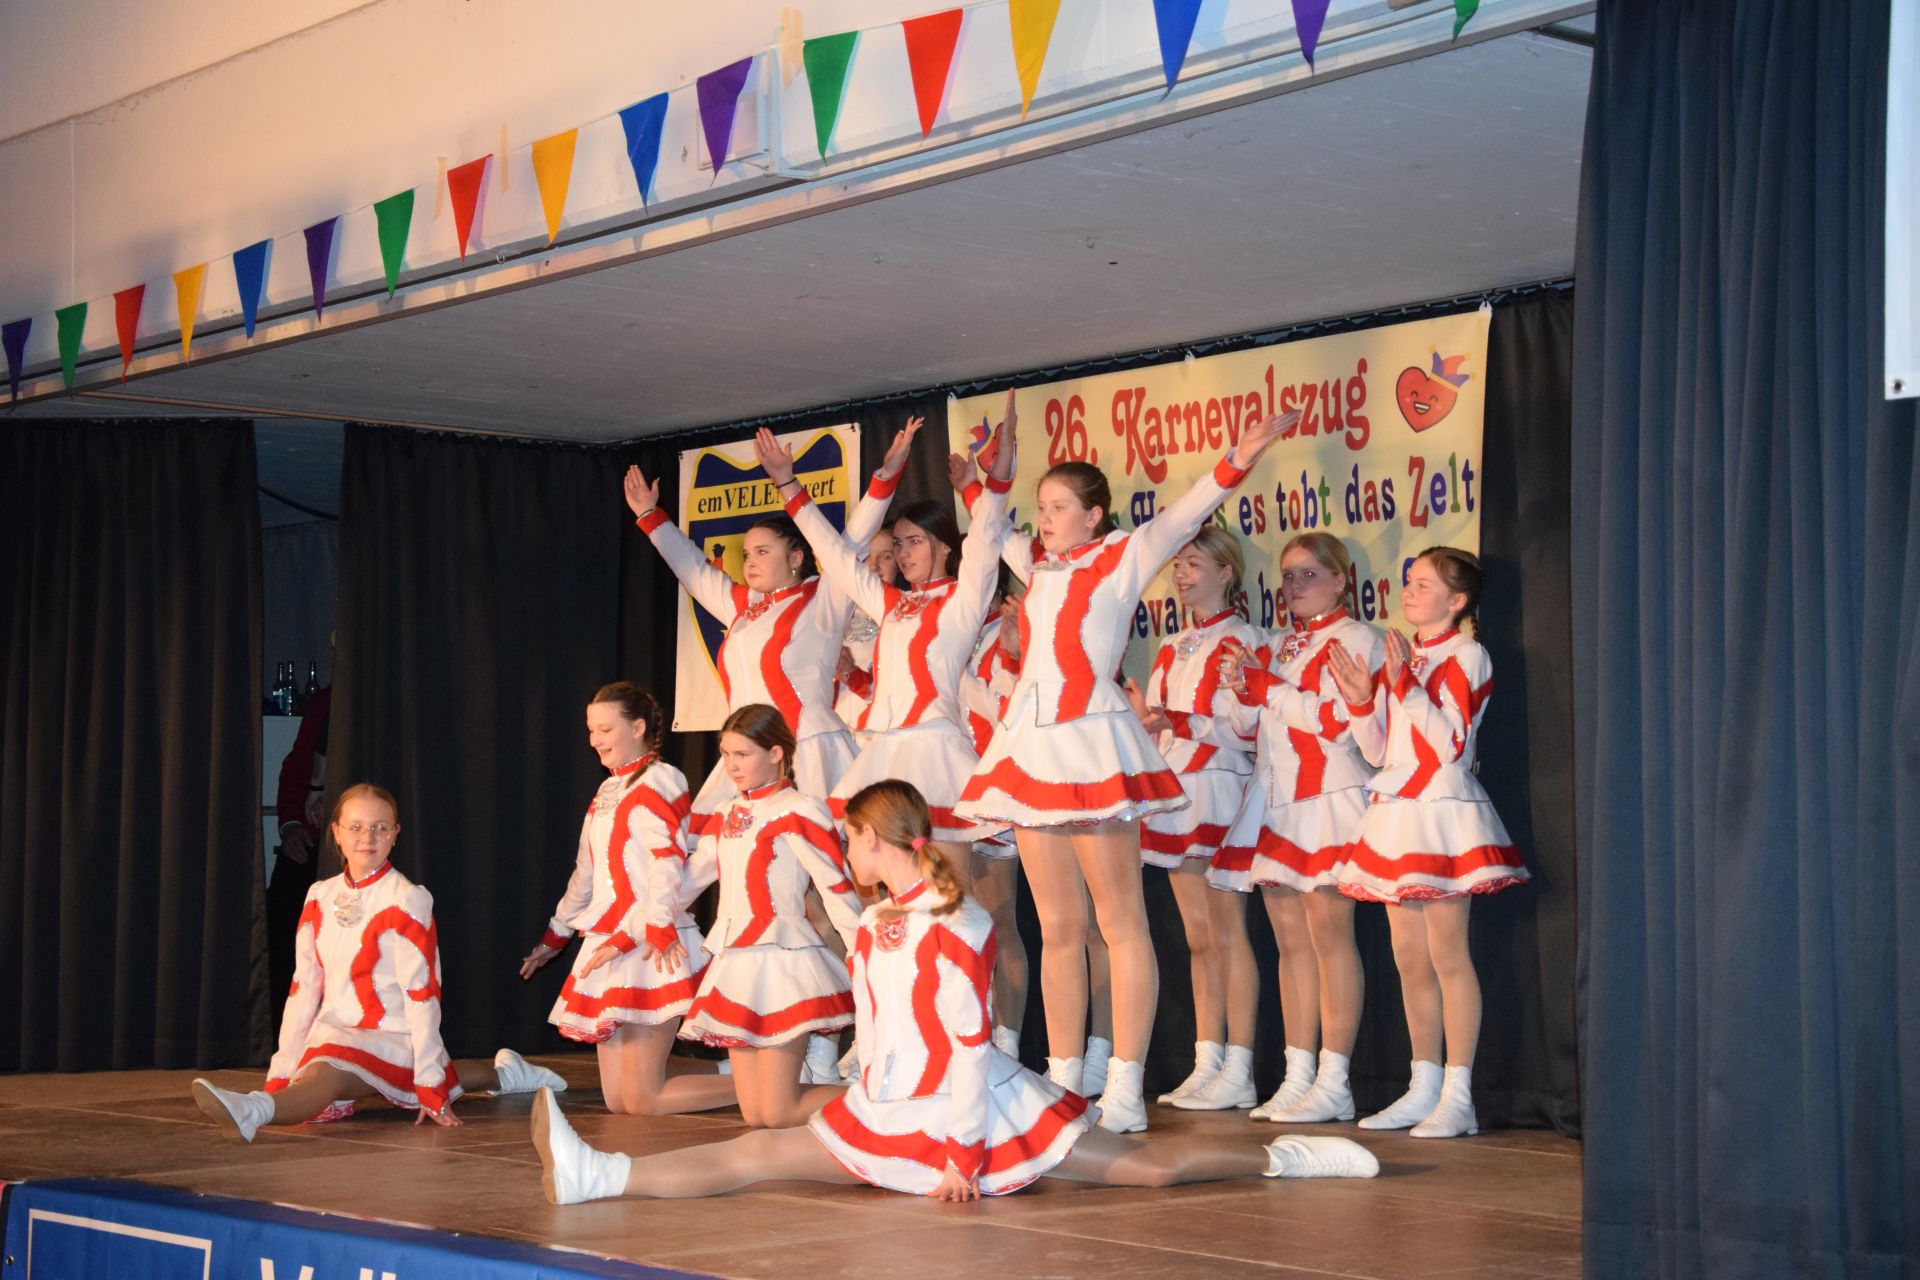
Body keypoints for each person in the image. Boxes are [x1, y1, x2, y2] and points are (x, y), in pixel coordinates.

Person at [530, 779, 1378, 1204]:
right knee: (757, 1156)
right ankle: (599, 1175)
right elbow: (883, 1030)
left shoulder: (958, 922)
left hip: (977, 1114)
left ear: (878, 840)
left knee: (1150, 1172)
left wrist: (963, 1156)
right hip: (891, 1107)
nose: (845, 854)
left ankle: (1289, 1158)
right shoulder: (875, 920)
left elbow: (969, 1049)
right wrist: (865, 1095)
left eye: (851, 841)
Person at [951, 403, 1298, 1132]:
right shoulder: (1038, 567)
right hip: (1033, 748)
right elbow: (990, 526)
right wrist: (992, 475)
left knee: (1120, 923)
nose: (1046, 518)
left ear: (1094, 515)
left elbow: (1188, 511)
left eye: (1059, 507)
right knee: (1058, 927)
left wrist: (1243, 453)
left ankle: (1125, 1087)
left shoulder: (1123, 555)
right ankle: (1062, 1082)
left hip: (1092, 739)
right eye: (1041, 506)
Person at [192, 784, 562, 1142]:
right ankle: (505, 1074)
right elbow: (303, 990)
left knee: (329, 1076)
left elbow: (422, 995)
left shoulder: (407, 899)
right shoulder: (319, 896)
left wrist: (429, 1078)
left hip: (393, 1036)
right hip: (333, 1031)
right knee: (354, 1068)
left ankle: (251, 1111)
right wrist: (282, 1069)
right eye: (355, 827)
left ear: (395, 834)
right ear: (336, 832)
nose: (367, 837)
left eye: (379, 828)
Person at [620, 422, 920, 831]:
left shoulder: (824, 597)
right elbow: (691, 568)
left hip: (807, 754)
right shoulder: (743, 607)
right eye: (747, 554)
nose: (750, 562)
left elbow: (853, 539)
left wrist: (886, 475)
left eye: (763, 552)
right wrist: (649, 515)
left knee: (814, 850)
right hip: (746, 756)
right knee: (722, 851)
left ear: (796, 557)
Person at [1325, 547, 1531, 1138]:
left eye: (1423, 584)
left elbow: (1446, 745)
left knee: (1447, 954)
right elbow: (1378, 751)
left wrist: (1404, 685)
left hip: (1442, 810)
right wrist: (1362, 699)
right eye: (1409, 582)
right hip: (1397, 810)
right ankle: (1423, 1086)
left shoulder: (1467, 654)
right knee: (1408, 957)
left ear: (1457, 600)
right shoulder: (1406, 656)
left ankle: (1459, 1096)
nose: (1410, 592)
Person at [1213, 532, 1382, 1123]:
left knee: (1330, 939)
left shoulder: (1359, 639)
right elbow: (1247, 729)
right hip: (1277, 803)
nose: (1295, 586)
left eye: (1310, 573)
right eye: (1287, 576)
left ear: (1340, 579)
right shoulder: (1279, 645)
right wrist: (1241, 687)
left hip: (1329, 798)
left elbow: (1337, 723)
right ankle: (1297, 1076)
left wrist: (1269, 688)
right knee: (1290, 945)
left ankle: (1335, 1081)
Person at [517, 683, 734, 1116]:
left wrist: (654, 925)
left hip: (648, 942)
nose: (594, 740)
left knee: (642, 1099)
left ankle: (773, 1083)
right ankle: (746, 1075)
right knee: (619, 1102)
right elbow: (586, 873)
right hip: (606, 940)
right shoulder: (609, 790)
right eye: (590, 730)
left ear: (637, 728)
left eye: (604, 729)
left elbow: (667, 863)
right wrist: (556, 935)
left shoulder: (660, 779)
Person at [1122, 527, 1263, 1111]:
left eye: (1194, 565)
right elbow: (1157, 723)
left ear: (1226, 573)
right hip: (1179, 792)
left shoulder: (1244, 640)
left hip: (1219, 789)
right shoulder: (1172, 644)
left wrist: (1173, 721)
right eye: (1177, 565)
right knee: (1199, 937)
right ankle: (1209, 1060)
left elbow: (1246, 728)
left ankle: (1241, 1065)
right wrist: (1145, 722)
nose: (1181, 575)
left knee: (1229, 932)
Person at [676, 704, 864, 1128]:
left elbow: (836, 888)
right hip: (735, 964)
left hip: (782, 960)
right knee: (755, 1115)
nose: (731, 766)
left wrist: (863, 953)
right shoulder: (726, 813)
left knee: (778, 1112)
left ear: (776, 753)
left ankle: (885, 1103)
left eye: (742, 754)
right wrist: (644, 921)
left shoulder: (800, 809)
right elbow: (691, 880)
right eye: (726, 754)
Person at [957, 580, 1030, 1059]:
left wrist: (959, 673)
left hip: (993, 790)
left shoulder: (1003, 633)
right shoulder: (946, 628)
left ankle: (1006, 1044)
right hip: (946, 792)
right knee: (952, 921)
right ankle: (963, 1035)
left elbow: (1009, 712)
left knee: (997, 917)